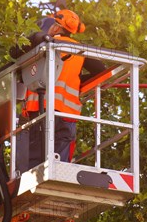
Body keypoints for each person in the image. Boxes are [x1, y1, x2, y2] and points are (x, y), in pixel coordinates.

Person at [12, 9, 106, 169]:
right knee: (60, 167)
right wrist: (77, 80)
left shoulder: (44, 45)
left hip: (38, 113)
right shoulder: (80, 51)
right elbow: (101, 71)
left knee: (33, 167)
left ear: (56, 27)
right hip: (66, 117)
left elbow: (14, 52)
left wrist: (36, 37)